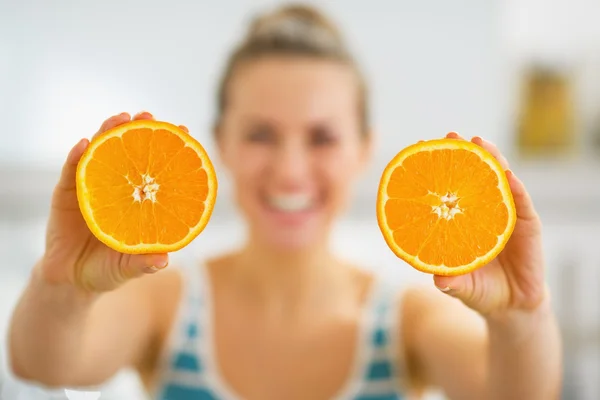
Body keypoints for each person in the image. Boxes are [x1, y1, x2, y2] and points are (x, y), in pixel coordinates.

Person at [8, 4, 561, 400]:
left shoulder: (407, 321)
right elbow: (42, 363)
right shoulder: (166, 306)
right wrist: (63, 287)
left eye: (322, 137)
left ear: (364, 150)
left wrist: (522, 317)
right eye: (260, 135)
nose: (291, 170)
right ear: (220, 142)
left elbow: (516, 393)